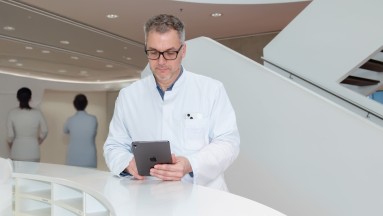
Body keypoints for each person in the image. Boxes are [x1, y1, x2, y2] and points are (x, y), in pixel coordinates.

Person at [103, 14, 240, 191]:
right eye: (153, 52)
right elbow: (114, 146)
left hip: (203, 197)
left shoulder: (211, 90)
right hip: (147, 196)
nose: (161, 61)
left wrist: (190, 164)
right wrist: (128, 163)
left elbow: (228, 142)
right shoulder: (128, 96)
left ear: (183, 51)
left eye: (169, 53)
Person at [6, 87, 48, 162]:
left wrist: (11, 145)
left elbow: (10, 136)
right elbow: (45, 130)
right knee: (32, 173)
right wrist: (38, 141)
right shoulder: (37, 113)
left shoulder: (12, 113)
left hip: (17, 151)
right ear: (30, 98)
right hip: (33, 151)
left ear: (17, 98)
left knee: (17, 174)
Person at [64, 94, 98, 168]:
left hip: (73, 157)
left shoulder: (70, 120)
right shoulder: (93, 119)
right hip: (89, 158)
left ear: (74, 104)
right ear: (86, 103)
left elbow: (65, 130)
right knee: (90, 179)